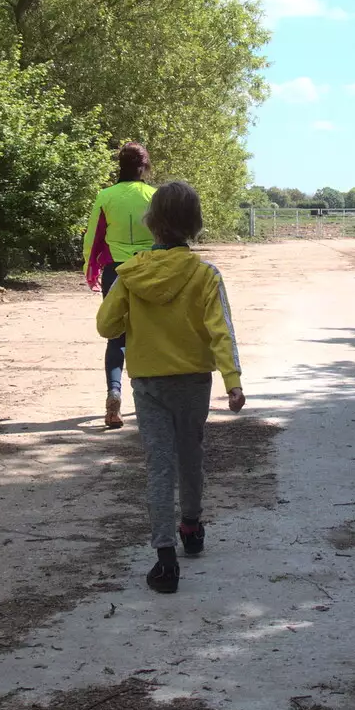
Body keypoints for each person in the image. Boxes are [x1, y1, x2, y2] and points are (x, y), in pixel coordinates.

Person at [95, 181, 245, 594]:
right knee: (190, 454)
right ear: (195, 226)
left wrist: (130, 310)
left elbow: (106, 326)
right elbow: (221, 332)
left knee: (159, 465)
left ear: (151, 223)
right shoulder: (204, 275)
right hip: (194, 380)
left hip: (147, 381)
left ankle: (164, 557)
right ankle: (192, 527)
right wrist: (232, 382)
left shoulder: (130, 273)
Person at [82, 142, 156, 428]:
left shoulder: (105, 195)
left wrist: (91, 267)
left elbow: (94, 235)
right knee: (150, 332)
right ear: (144, 166)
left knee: (117, 335)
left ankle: (114, 393)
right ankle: (148, 398)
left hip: (116, 270)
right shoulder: (155, 195)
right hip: (149, 268)